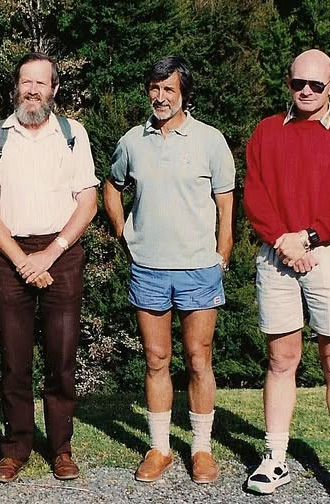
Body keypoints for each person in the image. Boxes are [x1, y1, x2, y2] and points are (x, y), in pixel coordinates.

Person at [243, 49, 330, 502]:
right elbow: (255, 197)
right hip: (277, 254)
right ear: (289, 81)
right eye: (298, 82)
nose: (306, 91)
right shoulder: (265, 132)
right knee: (281, 360)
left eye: (316, 85)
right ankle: (274, 457)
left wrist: (309, 238)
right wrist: (286, 240)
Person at [103, 56, 235, 484]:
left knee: (199, 359)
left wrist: (223, 250)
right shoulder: (132, 141)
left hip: (199, 267)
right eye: (154, 89)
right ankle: (159, 448)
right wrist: (125, 234)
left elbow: (225, 201)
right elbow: (112, 186)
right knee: (156, 359)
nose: (160, 97)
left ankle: (200, 449)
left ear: (183, 94)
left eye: (169, 90)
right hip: (149, 269)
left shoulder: (211, 141)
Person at [0, 52, 99, 483]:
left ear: (54, 90)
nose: (32, 90)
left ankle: (60, 448)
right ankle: (16, 448)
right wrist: (23, 260)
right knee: (14, 359)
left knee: (62, 359)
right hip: (11, 256)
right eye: (25, 82)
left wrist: (50, 254)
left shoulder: (72, 134)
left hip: (62, 253)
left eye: (40, 83)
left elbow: (88, 203)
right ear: (15, 87)